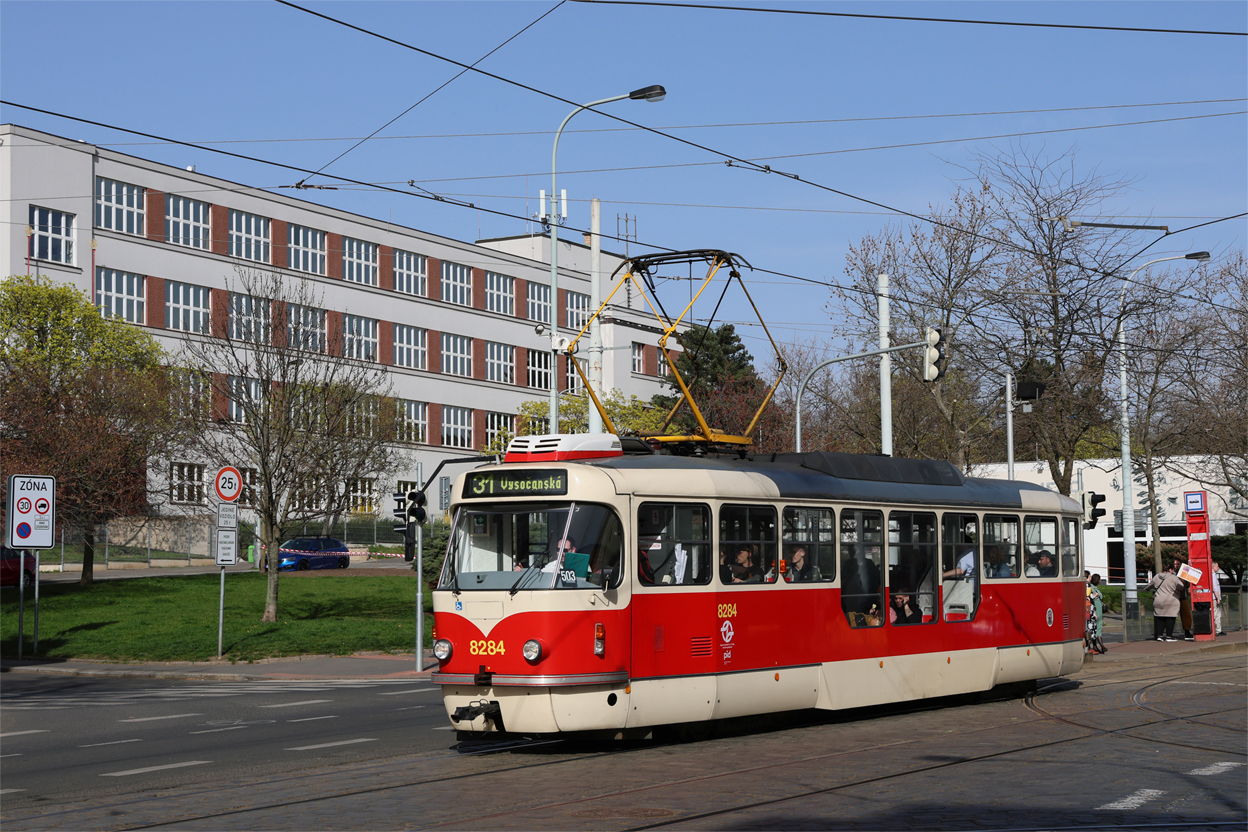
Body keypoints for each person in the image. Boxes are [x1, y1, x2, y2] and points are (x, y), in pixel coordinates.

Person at [1146, 563, 1184, 641]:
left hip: (1159, 600)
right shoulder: (1174, 578)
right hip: (1171, 600)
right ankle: (1169, 636)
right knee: (1170, 617)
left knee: (1160, 618)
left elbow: (1149, 586)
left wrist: (1146, 589)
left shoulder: (1156, 576)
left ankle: (1159, 636)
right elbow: (1181, 587)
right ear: (1170, 569)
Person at [1086, 574, 1106, 654]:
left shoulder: (1090, 586)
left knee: (1093, 629)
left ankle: (1095, 646)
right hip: (1096, 610)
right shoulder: (1093, 589)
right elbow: (1091, 597)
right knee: (1097, 628)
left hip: (1094, 610)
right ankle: (1101, 646)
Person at [1212, 561, 1225, 636]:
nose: (1218, 567)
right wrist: (1218, 598)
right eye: (1217, 566)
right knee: (1216, 614)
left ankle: (1218, 629)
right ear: (1213, 567)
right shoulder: (1213, 575)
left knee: (1217, 613)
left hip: (1214, 597)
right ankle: (1217, 630)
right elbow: (1215, 587)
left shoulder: (1213, 574)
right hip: (1214, 597)